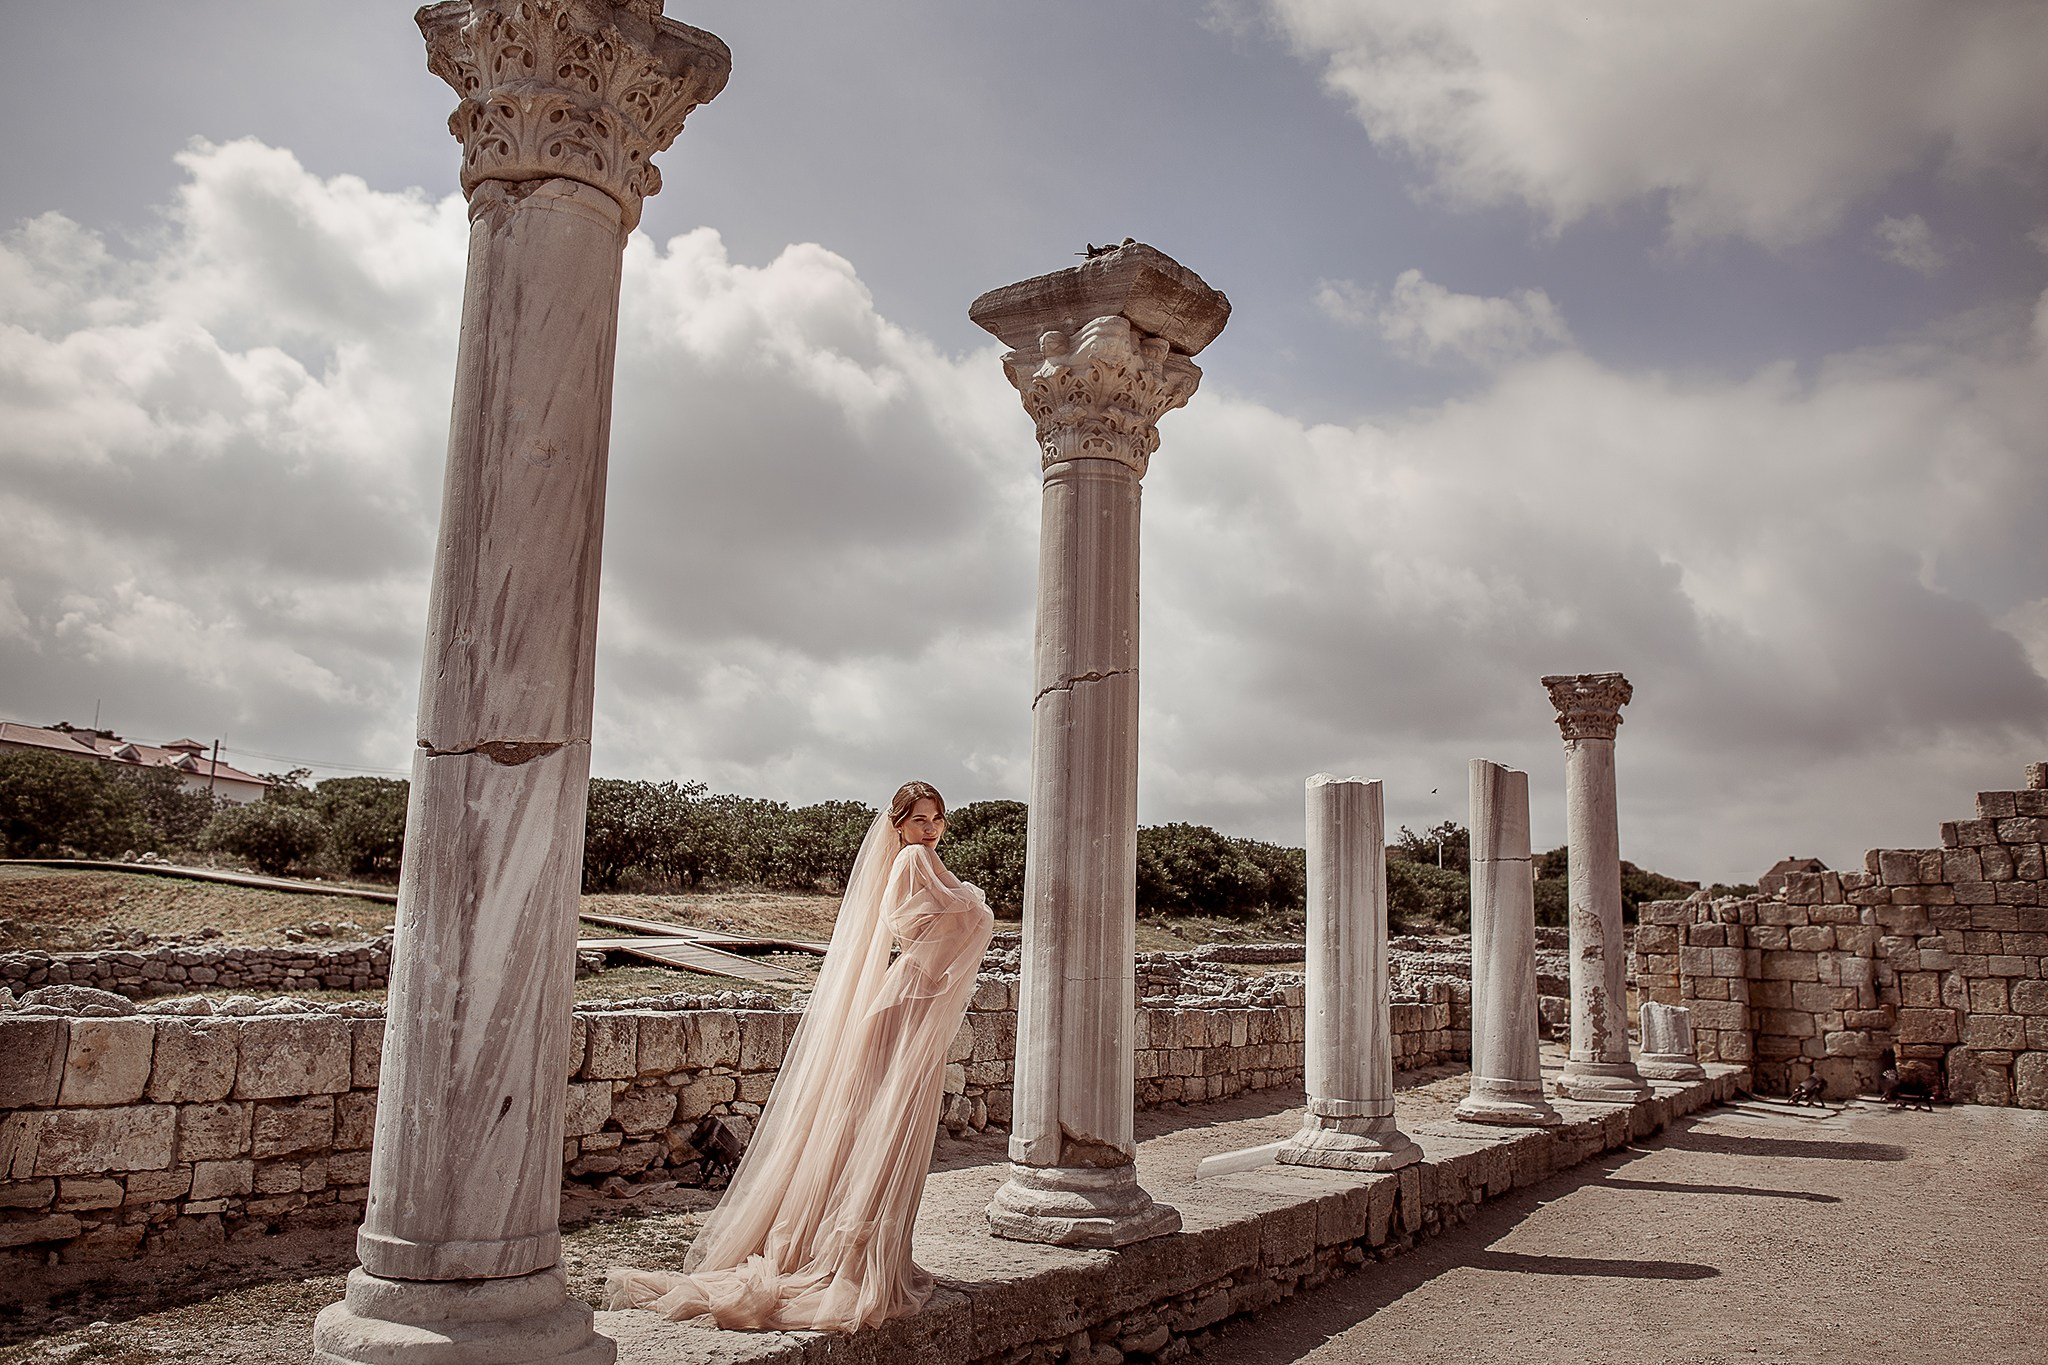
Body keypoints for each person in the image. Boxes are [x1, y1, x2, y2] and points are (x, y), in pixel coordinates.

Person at [606, 781, 995, 1332]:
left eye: (936, 819)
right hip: (908, 1003)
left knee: (877, 1130)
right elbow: (951, 917)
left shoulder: (920, 862)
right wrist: (974, 903)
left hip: (913, 1000)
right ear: (898, 826)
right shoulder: (914, 860)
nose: (929, 829)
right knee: (884, 1130)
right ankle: (854, 1261)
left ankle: (863, 1254)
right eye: (918, 819)